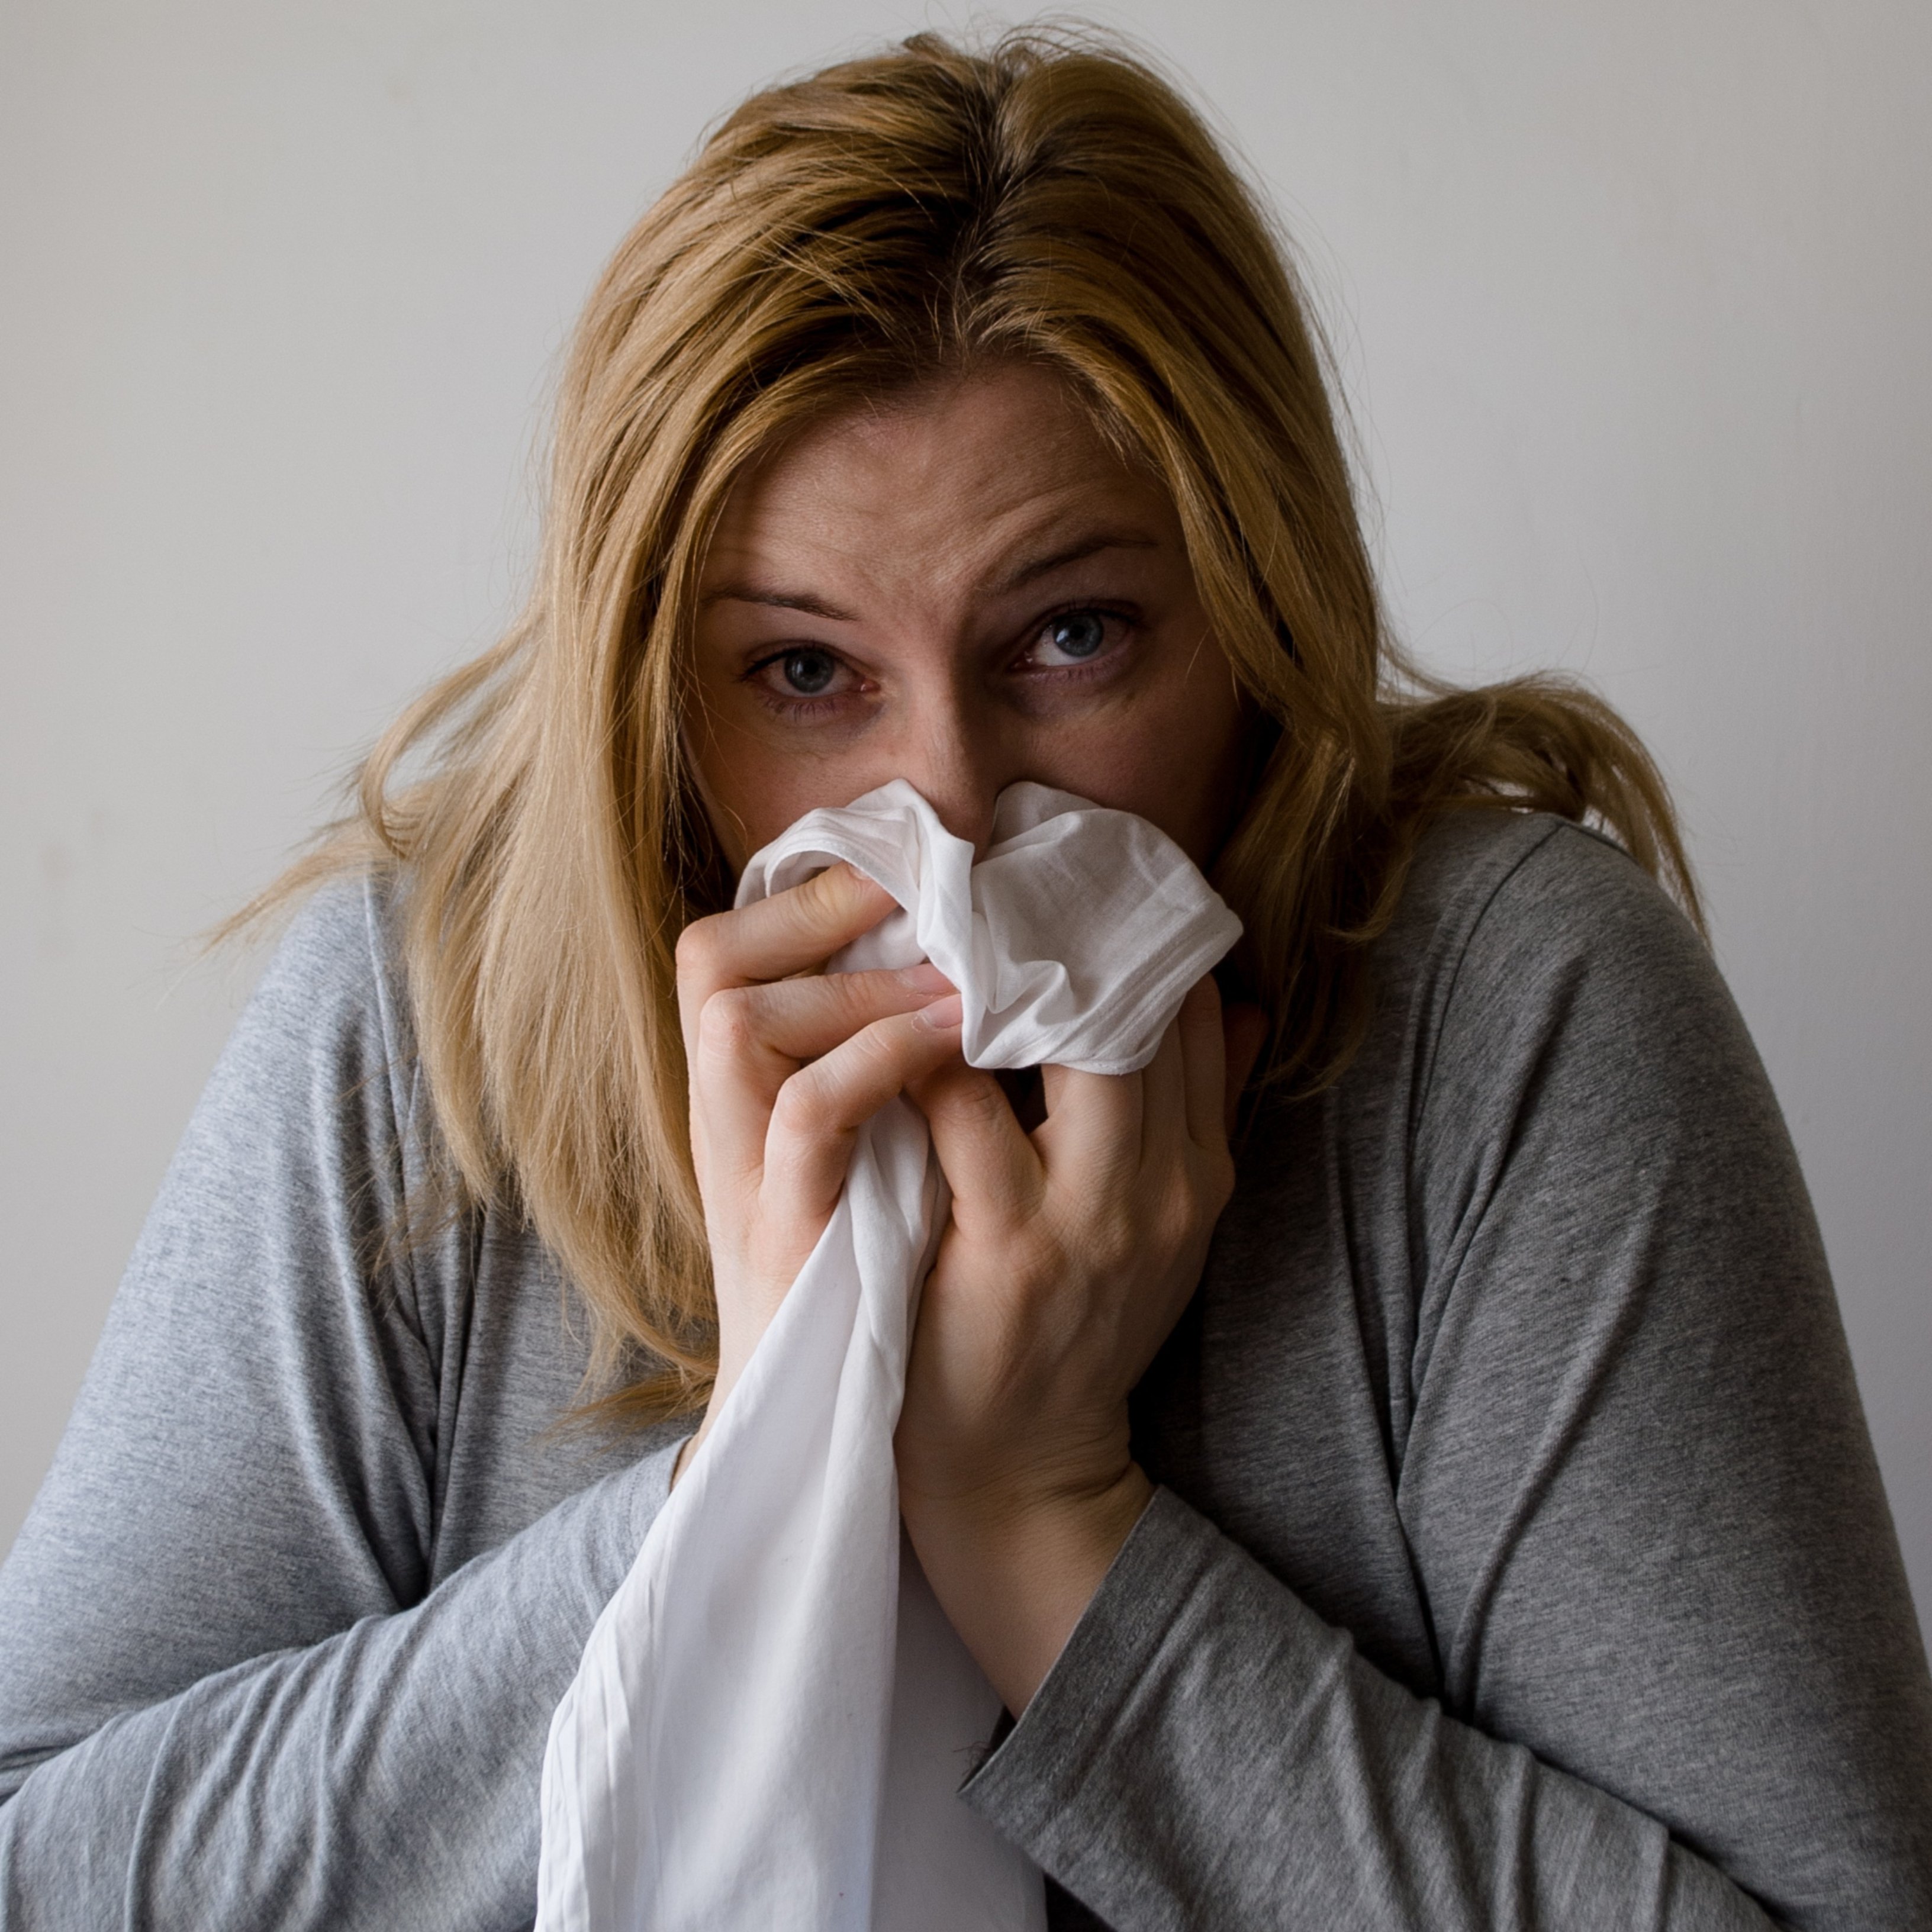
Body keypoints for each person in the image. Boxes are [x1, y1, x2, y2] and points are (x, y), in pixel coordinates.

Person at [1, 28, 1927, 1931]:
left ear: (1257, 622)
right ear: (653, 702)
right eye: (806, 675)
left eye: (1072, 637)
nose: (946, 809)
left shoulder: (1508, 1022)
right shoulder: (431, 1025)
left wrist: (1041, 1524)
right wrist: (763, 1477)